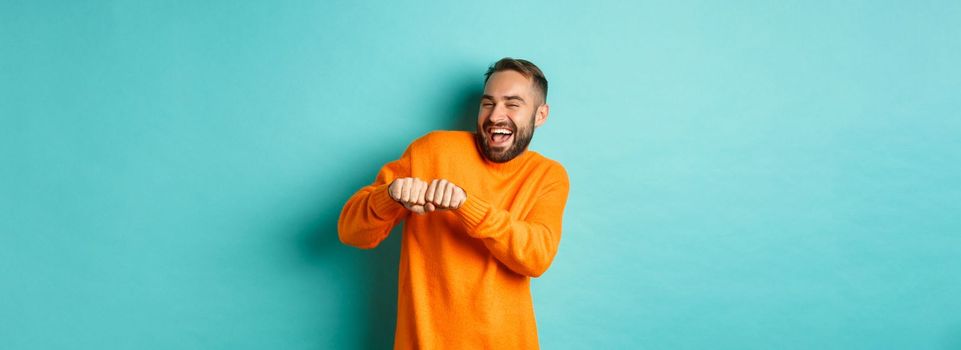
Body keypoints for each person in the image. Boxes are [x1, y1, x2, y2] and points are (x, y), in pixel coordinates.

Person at [338, 57, 570, 349]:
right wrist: (389, 196)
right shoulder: (430, 152)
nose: (496, 115)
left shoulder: (548, 175)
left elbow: (537, 257)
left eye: (512, 104)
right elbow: (351, 232)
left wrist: (466, 205)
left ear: (540, 114)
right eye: (488, 103)